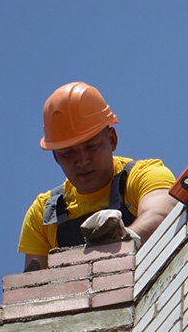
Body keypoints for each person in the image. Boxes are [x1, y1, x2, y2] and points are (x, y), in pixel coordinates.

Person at [18, 81, 176, 271]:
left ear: (112, 140)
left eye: (91, 146)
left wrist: (124, 240)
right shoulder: (44, 214)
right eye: (68, 153)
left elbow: (162, 213)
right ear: (56, 157)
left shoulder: (144, 174)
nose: (82, 160)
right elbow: (33, 283)